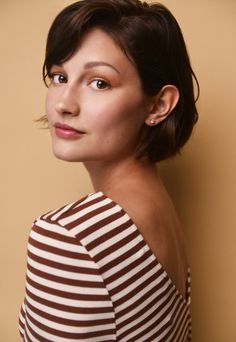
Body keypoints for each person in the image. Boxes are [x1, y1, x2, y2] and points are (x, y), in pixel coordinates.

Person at [19, 0, 199, 341]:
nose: (63, 103)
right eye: (59, 76)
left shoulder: (68, 235)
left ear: (158, 105)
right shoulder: (160, 209)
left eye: (99, 83)